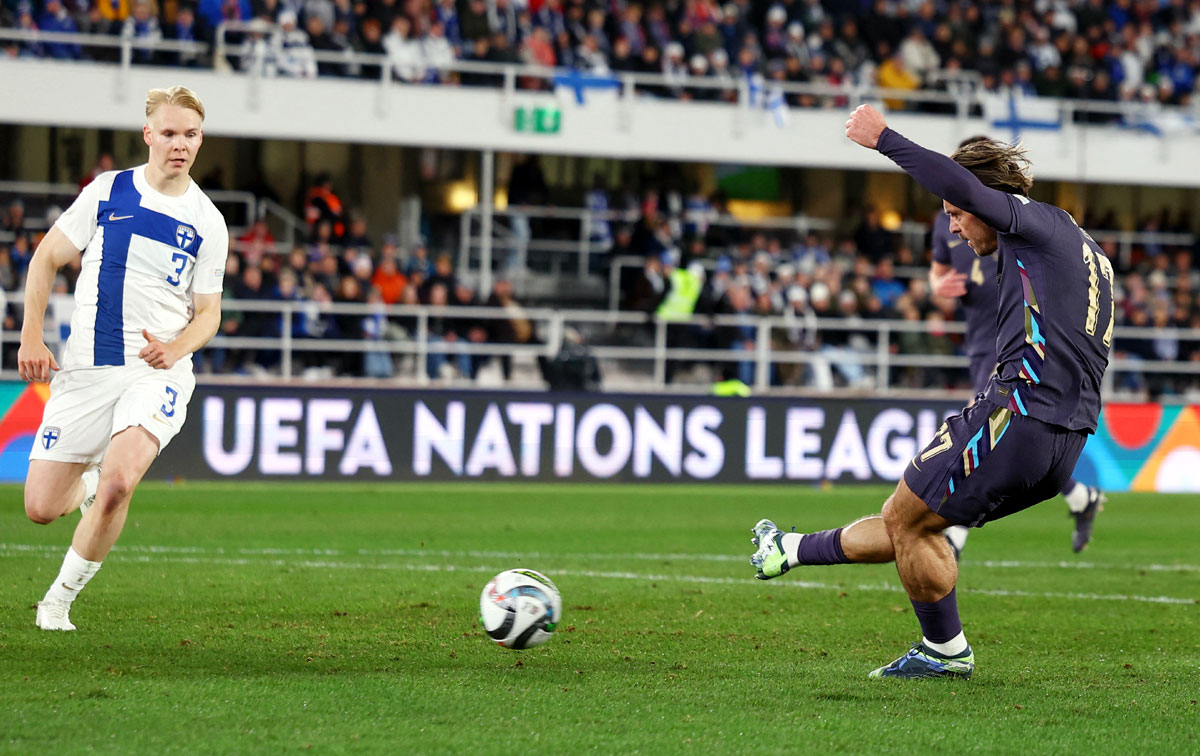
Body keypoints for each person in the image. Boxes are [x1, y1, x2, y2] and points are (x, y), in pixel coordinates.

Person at [750, 105, 1114, 680]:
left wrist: (884, 140)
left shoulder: (1030, 221)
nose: (954, 229)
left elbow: (964, 187)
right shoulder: (1083, 248)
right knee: (911, 520)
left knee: (908, 516)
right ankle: (788, 549)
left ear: (981, 199)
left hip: (1016, 415)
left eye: (956, 215)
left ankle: (945, 651)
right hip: (1067, 438)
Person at [19, 86, 229, 631]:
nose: (179, 144)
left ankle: (57, 602)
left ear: (199, 139)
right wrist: (31, 337)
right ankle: (86, 486)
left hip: (155, 370)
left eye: (190, 134)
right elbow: (46, 258)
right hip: (86, 368)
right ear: (148, 134)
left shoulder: (208, 222)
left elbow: (208, 314)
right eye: (169, 133)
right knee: (41, 507)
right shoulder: (108, 191)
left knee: (121, 482)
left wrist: (176, 348)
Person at [931, 136, 1106, 558]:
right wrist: (939, 287)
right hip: (980, 334)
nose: (956, 221)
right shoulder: (945, 223)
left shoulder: (1018, 221)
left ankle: (953, 531)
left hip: (1025, 334)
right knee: (1005, 429)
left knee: (997, 425)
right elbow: (934, 278)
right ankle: (1081, 498)